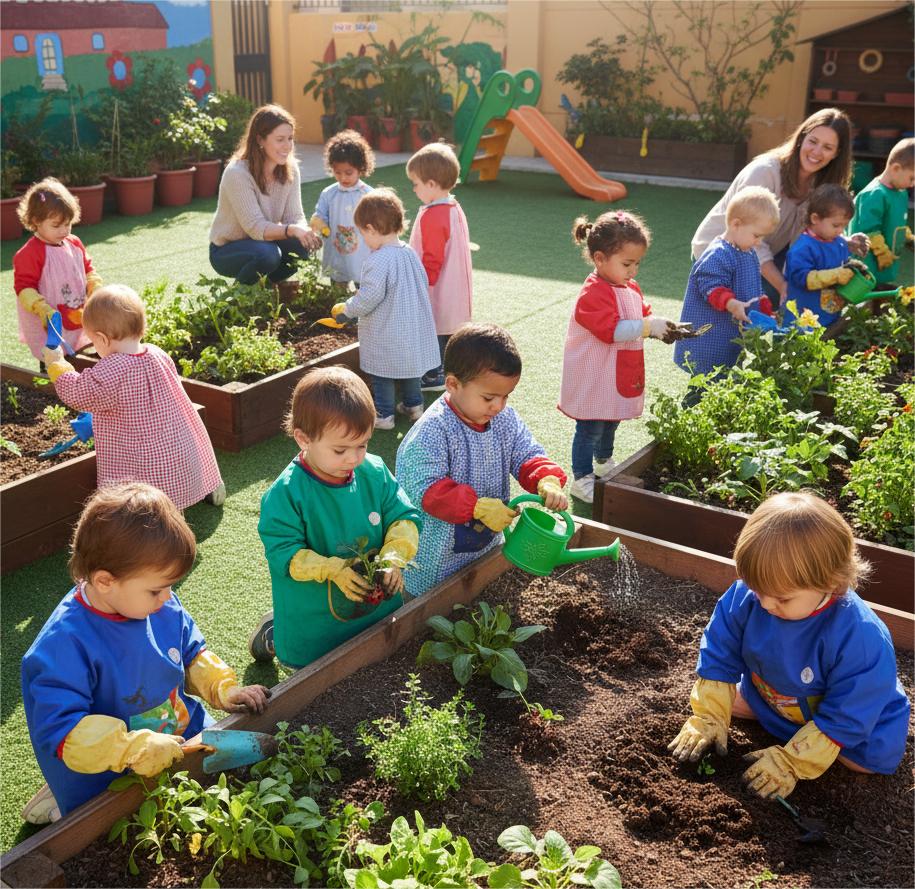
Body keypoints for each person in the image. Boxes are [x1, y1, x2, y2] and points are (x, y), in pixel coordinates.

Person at [20, 483, 269, 824]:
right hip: (110, 768)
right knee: (112, 825)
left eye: (169, 586)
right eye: (156, 590)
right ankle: (60, 806)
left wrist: (222, 688)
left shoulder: (157, 604)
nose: (168, 598)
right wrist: (131, 748)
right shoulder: (62, 646)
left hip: (180, 735)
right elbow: (63, 731)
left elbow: (191, 652)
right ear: (105, 581)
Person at [668, 492, 909, 799]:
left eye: (782, 598)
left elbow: (850, 714)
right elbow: (719, 651)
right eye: (758, 589)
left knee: (862, 761)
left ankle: (803, 739)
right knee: (727, 706)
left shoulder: (861, 638)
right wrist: (710, 715)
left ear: (831, 582)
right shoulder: (751, 596)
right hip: (777, 696)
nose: (766, 604)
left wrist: (793, 762)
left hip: (857, 713)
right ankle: (785, 724)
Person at [250, 366, 423, 671]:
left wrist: (395, 555)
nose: (354, 458)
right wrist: (332, 569)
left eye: (362, 445)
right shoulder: (286, 494)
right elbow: (285, 553)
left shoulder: (373, 471)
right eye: (340, 449)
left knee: (376, 659)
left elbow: (404, 516)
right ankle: (275, 634)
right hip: (314, 619)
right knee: (316, 678)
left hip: (373, 608)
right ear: (303, 439)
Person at [396, 323, 569, 597]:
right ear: (453, 384)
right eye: (489, 397)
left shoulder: (503, 418)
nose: (498, 406)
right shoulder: (433, 431)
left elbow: (525, 452)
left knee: (480, 593)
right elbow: (425, 491)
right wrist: (475, 507)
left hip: (485, 546)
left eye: (505, 396)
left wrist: (546, 479)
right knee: (434, 609)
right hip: (434, 560)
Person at [42, 284, 225, 509]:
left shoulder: (113, 368)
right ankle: (209, 485)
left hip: (144, 458)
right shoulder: (156, 353)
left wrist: (57, 364)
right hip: (176, 442)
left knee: (143, 500)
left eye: (93, 341)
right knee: (183, 471)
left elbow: (78, 392)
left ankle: (156, 516)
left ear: (103, 339)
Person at [560, 210, 685, 504]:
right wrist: (648, 327)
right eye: (627, 264)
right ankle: (582, 478)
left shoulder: (629, 287)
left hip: (616, 370)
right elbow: (611, 330)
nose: (633, 270)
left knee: (611, 420)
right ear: (600, 258)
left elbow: (642, 315)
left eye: (637, 263)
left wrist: (661, 326)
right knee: (590, 426)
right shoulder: (593, 292)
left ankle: (604, 462)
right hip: (595, 373)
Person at [691, 108, 867, 305]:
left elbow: (811, 232)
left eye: (827, 147)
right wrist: (782, 285)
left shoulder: (822, 185)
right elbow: (750, 237)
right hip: (720, 253)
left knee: (796, 288)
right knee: (763, 301)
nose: (817, 152)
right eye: (813, 141)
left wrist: (843, 241)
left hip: (762, 252)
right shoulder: (765, 172)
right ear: (801, 138)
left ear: (837, 153)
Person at [330, 188, 440, 429]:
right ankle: (414, 405)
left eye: (363, 234)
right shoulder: (409, 252)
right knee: (410, 369)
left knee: (382, 373)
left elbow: (369, 297)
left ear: (371, 229)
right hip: (410, 326)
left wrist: (348, 309)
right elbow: (420, 282)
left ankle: (384, 415)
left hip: (388, 330)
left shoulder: (378, 260)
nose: (364, 240)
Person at [674, 187, 780, 383]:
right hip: (710, 334)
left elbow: (754, 288)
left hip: (730, 334)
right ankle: (694, 401)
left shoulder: (747, 252)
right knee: (706, 379)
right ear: (736, 224)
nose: (759, 242)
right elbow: (710, 286)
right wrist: (731, 303)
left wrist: (765, 309)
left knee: (725, 374)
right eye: (756, 235)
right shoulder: (719, 254)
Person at [209, 104, 321, 285]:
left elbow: (295, 216)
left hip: (265, 243)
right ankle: (238, 296)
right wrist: (292, 230)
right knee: (268, 255)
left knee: (301, 248)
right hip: (226, 250)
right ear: (260, 140)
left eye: (290, 138)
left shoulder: (291, 168)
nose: (287, 146)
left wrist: (305, 233)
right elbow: (255, 228)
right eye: (280, 139)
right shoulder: (237, 173)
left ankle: (265, 289)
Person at [406, 142, 473, 393]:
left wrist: (422, 284)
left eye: (416, 184)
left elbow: (432, 257)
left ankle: (433, 374)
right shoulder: (453, 206)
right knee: (446, 328)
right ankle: (445, 370)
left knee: (435, 326)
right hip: (454, 285)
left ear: (431, 184)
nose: (414, 189)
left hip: (438, 285)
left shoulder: (434, 215)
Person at [13, 177, 103, 362]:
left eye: (68, 224)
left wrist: (94, 286)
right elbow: (24, 287)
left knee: (79, 351)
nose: (64, 230)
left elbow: (87, 268)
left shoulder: (74, 243)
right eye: (56, 225)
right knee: (53, 358)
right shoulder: (30, 253)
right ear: (36, 221)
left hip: (75, 309)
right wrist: (40, 307)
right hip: (48, 319)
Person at [310, 129, 374, 291]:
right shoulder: (329, 194)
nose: (343, 177)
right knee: (338, 287)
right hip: (337, 252)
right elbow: (319, 216)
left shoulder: (368, 195)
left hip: (362, 254)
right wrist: (321, 225)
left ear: (361, 168)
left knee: (364, 289)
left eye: (348, 173)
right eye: (337, 172)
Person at [782, 184, 856, 327]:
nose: (840, 231)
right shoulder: (803, 248)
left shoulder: (839, 243)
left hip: (831, 314)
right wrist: (835, 275)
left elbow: (845, 266)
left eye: (844, 226)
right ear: (815, 218)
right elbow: (802, 278)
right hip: (804, 319)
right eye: (836, 225)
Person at [848, 137, 915, 288]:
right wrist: (882, 253)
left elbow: (896, 220)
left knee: (881, 291)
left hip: (885, 264)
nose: (913, 184)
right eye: (912, 178)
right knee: (865, 293)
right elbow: (869, 231)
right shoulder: (874, 194)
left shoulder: (900, 192)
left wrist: (908, 238)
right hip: (868, 262)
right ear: (896, 168)